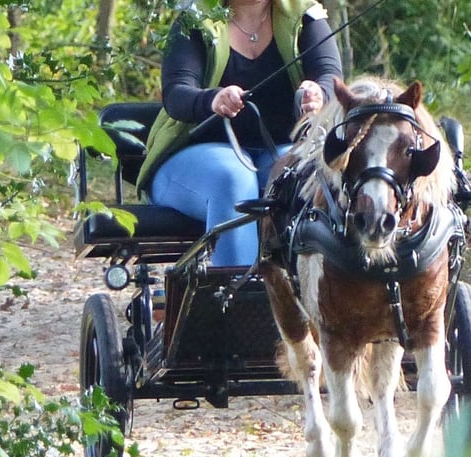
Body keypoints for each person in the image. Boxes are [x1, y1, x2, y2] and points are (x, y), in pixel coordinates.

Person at [135, 0, 343, 267]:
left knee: (304, 175)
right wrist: (212, 100)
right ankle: (234, 298)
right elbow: (176, 93)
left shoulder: (305, 16)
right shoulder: (196, 17)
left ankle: (308, 289)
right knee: (233, 178)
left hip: (280, 149)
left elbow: (329, 76)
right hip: (193, 156)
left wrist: (319, 93)